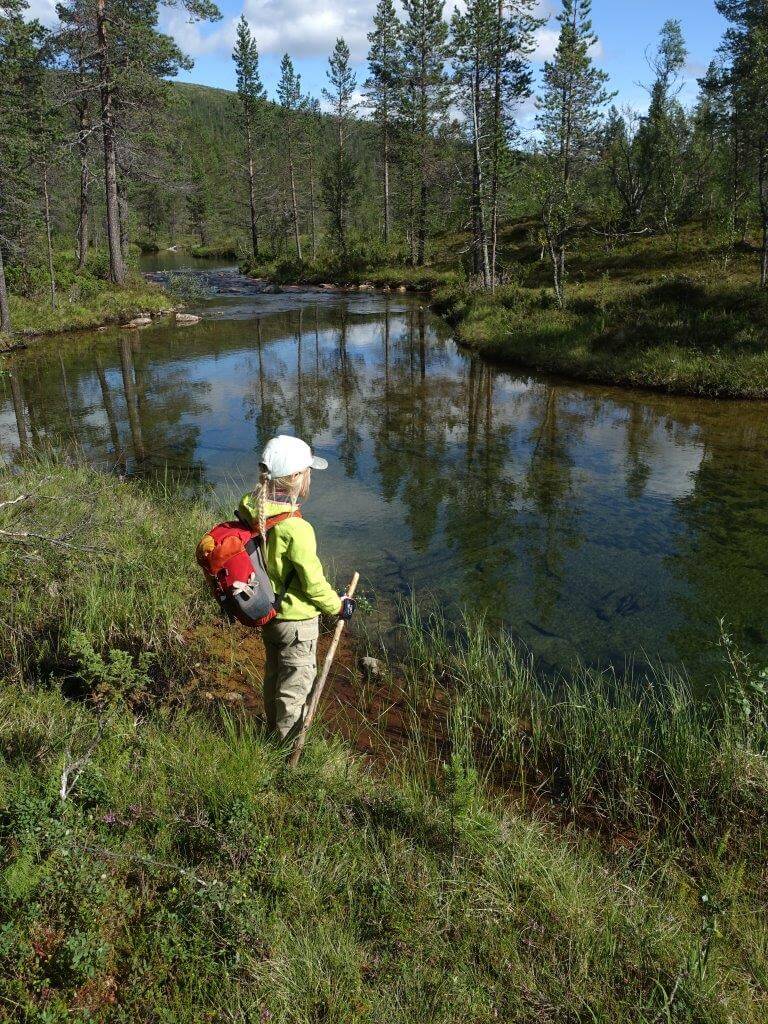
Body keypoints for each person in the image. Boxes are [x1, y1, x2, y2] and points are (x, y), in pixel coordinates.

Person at [238, 435, 355, 742]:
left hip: (269, 615)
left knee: (275, 678)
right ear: (295, 479)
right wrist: (339, 606)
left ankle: (270, 732)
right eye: (307, 472)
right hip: (298, 625)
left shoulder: (252, 507)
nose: (310, 478)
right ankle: (285, 751)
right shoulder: (297, 527)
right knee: (295, 688)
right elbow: (313, 584)